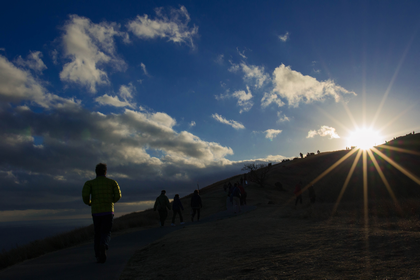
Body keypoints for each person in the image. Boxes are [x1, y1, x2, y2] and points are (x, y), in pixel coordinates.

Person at [82, 163, 122, 263]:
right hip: (108, 211)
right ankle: (103, 244)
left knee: (97, 233)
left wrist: (89, 203)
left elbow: (85, 196)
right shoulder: (112, 182)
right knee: (106, 232)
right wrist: (112, 201)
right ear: (105, 171)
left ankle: (97, 255)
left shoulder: (89, 183)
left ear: (96, 172)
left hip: (96, 212)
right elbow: (118, 195)